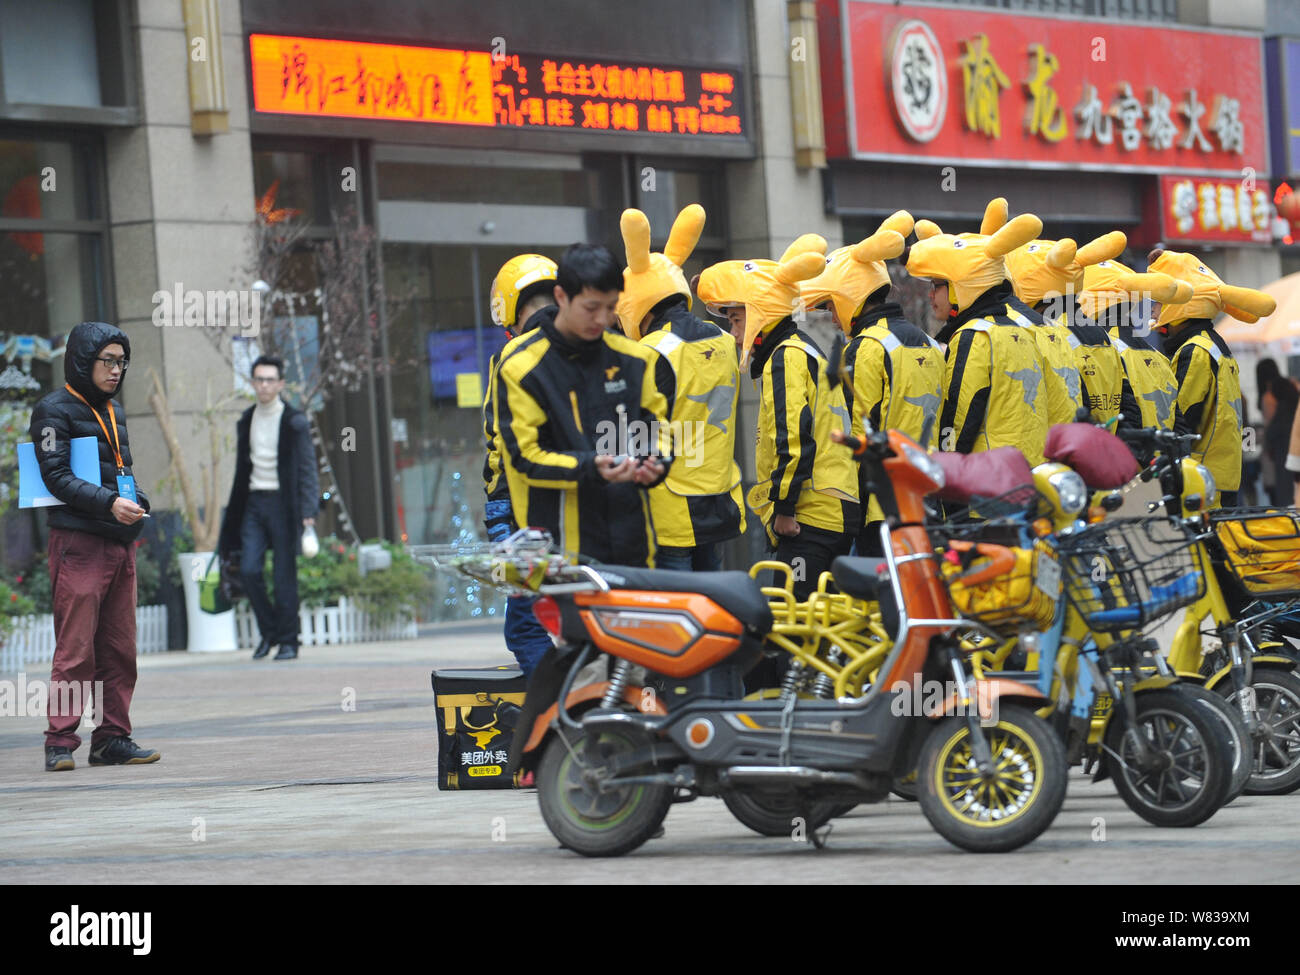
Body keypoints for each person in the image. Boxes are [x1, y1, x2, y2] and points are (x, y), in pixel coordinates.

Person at [697, 235, 857, 599]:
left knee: (792, 630)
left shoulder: (785, 356)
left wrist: (784, 509)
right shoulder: (804, 350)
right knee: (821, 629)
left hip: (809, 515)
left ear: (762, 315)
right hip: (833, 506)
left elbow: (794, 438)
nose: (735, 335)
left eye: (738, 321)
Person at [495, 243, 672, 567]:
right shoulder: (522, 367)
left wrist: (657, 461)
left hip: (632, 546)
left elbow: (656, 426)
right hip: (559, 557)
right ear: (561, 296)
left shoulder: (635, 358)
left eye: (611, 307)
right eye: (591, 308)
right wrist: (591, 467)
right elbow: (524, 456)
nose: (603, 319)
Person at [31, 321, 158, 771]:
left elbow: (121, 469)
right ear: (84, 361)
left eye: (122, 362)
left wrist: (137, 500)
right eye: (108, 361)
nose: (116, 370)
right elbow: (55, 476)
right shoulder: (52, 410)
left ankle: (111, 739)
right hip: (79, 544)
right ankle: (60, 742)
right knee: (76, 649)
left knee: (120, 648)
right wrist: (109, 504)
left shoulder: (114, 411)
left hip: (120, 542)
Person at [801, 210, 942, 556]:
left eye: (832, 306)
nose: (833, 319)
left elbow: (856, 436)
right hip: (929, 495)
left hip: (882, 507)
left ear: (850, 296)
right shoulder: (927, 340)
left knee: (880, 604)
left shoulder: (865, 348)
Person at [617, 204, 745, 572]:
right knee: (714, 610)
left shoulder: (648, 352)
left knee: (677, 615)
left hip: (669, 509)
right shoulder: (724, 340)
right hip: (719, 497)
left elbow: (637, 433)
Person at [905, 208, 1051, 463]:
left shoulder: (974, 335)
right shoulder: (1020, 329)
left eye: (936, 286)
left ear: (962, 284)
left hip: (986, 482)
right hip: (1028, 474)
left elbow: (959, 416)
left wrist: (947, 471)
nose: (930, 296)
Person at [1148, 250, 1276, 507]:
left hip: (1200, 480)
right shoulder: (1213, 345)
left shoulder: (1195, 350)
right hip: (1222, 475)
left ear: (1179, 303)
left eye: (1159, 301)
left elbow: (1181, 418)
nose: (1154, 309)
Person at [482, 254, 558, 676]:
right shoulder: (594, 343)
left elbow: (499, 447)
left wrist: (497, 517)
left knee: (526, 627)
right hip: (598, 514)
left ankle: (561, 716)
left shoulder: (510, 357)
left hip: (530, 515)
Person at [218, 355, 320, 660]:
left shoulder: (295, 422)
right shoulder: (246, 420)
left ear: (280, 384)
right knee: (248, 570)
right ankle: (268, 632)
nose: (263, 385)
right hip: (252, 503)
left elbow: (308, 470)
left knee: (283, 576)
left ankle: (289, 641)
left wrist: (309, 513)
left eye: (269, 380)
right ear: (252, 383)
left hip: (284, 504)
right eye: (258, 379)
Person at [1003, 225, 1139, 430]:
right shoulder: (1103, 335)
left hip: (1063, 452)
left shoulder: (1044, 333)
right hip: (1099, 451)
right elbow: (1128, 405)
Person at [1080, 257, 1191, 436]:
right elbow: (1180, 427)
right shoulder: (1158, 357)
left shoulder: (1102, 350)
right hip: (1163, 461)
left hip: (1124, 461)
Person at [1263, 376, 1299, 506]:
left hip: (1285, 459)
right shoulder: (1295, 405)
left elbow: (1271, 434)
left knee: (1288, 500)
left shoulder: (1282, 410)